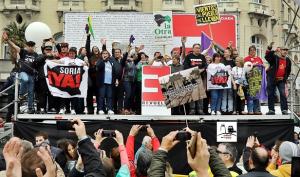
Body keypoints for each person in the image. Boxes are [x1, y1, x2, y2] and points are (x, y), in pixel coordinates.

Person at [2, 32, 38, 114]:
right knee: (24, 79)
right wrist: (7, 40)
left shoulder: (35, 55)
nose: (32, 48)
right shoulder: (23, 52)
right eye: (31, 47)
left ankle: (30, 108)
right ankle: (21, 95)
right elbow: (14, 46)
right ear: (27, 47)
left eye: (33, 47)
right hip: (23, 72)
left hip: (32, 75)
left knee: (31, 91)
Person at [265, 44, 292, 115]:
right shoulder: (275, 58)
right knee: (271, 94)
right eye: (284, 50)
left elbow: (288, 70)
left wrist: (285, 78)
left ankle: (284, 110)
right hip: (272, 79)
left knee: (283, 94)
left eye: (286, 50)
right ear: (280, 51)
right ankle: (271, 110)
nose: (285, 51)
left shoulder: (288, 60)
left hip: (281, 80)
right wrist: (272, 50)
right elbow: (267, 57)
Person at [183, 43, 207, 115]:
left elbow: (205, 65)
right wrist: (195, 71)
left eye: (199, 48)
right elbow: (186, 66)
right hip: (191, 78)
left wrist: (202, 69)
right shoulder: (188, 56)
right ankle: (192, 109)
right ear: (193, 49)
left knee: (200, 95)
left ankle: (200, 110)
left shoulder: (202, 56)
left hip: (200, 78)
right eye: (196, 48)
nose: (198, 49)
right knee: (192, 94)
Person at [244, 45, 264, 115]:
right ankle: (250, 110)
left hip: (258, 81)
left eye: (254, 50)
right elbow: (245, 69)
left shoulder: (259, 59)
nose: (252, 51)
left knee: (257, 96)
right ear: (249, 51)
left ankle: (257, 110)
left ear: (256, 51)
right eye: (251, 50)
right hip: (250, 80)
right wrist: (253, 65)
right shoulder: (246, 59)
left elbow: (262, 68)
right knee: (250, 96)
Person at [96, 50, 117, 115]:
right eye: (103, 53)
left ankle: (110, 109)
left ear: (108, 55)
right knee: (101, 96)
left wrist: (115, 80)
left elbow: (114, 72)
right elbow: (98, 67)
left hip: (110, 82)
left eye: (106, 53)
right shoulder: (100, 61)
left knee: (109, 96)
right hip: (102, 82)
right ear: (101, 55)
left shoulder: (111, 62)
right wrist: (103, 60)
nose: (105, 54)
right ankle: (100, 109)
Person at [221, 48, 235, 115]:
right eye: (224, 52)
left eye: (226, 52)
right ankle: (223, 110)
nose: (224, 53)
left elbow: (235, 71)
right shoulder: (222, 61)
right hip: (223, 81)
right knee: (224, 96)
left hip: (231, 81)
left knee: (230, 95)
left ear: (230, 53)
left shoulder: (233, 61)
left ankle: (230, 110)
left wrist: (231, 70)